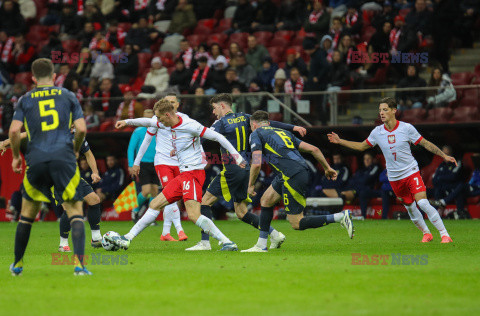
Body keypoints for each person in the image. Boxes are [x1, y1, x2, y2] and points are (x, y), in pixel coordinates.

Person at [112, 99, 247, 251]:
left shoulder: (190, 125)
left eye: (160, 118)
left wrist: (237, 157)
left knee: (194, 215)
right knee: (155, 204)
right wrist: (126, 121)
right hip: (184, 174)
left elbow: (218, 137)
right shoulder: (164, 122)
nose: (158, 122)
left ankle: (227, 242)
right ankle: (127, 239)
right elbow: (147, 122)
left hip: (193, 173)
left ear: (168, 114)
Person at [187, 94, 307, 251]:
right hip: (245, 169)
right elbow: (269, 124)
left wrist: (183, 147)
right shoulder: (245, 118)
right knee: (241, 212)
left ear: (223, 106)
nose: (214, 112)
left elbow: (202, 137)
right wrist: (293, 127)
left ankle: (205, 243)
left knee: (204, 203)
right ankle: (274, 234)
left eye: (215, 108)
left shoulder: (220, 123)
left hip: (232, 169)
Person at [328, 97, 454, 243]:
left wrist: (443, 155)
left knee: (423, 203)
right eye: (380, 110)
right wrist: (340, 141)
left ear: (394, 111)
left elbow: (425, 143)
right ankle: (426, 233)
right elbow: (361, 146)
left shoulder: (406, 128)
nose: (381, 113)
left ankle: (445, 234)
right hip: (394, 178)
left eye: (385, 110)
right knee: (411, 208)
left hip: (411, 171)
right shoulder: (377, 132)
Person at [8, 58, 90, 275]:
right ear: (54, 77)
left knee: (27, 214)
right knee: (75, 212)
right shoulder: (68, 96)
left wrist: (16, 156)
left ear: (33, 78)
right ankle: (79, 266)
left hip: (36, 160)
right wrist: (75, 148)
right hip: (64, 158)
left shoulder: (25, 99)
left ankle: (17, 265)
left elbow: (14, 131)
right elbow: (81, 128)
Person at [242, 110, 353, 252]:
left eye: (251, 127)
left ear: (254, 125)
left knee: (297, 223)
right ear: (268, 123)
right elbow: (314, 149)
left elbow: (256, 162)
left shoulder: (256, 134)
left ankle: (339, 216)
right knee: (266, 200)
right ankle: (262, 244)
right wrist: (327, 168)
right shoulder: (283, 132)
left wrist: (250, 185)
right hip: (291, 172)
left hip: (291, 175)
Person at [114, 94, 190, 246]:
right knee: (163, 193)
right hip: (160, 163)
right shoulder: (156, 122)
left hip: (179, 163)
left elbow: (195, 137)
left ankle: (165, 232)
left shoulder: (184, 119)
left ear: (178, 104)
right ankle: (178, 229)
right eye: (167, 102)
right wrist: (135, 163)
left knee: (168, 196)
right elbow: (140, 143)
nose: (170, 104)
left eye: (172, 102)